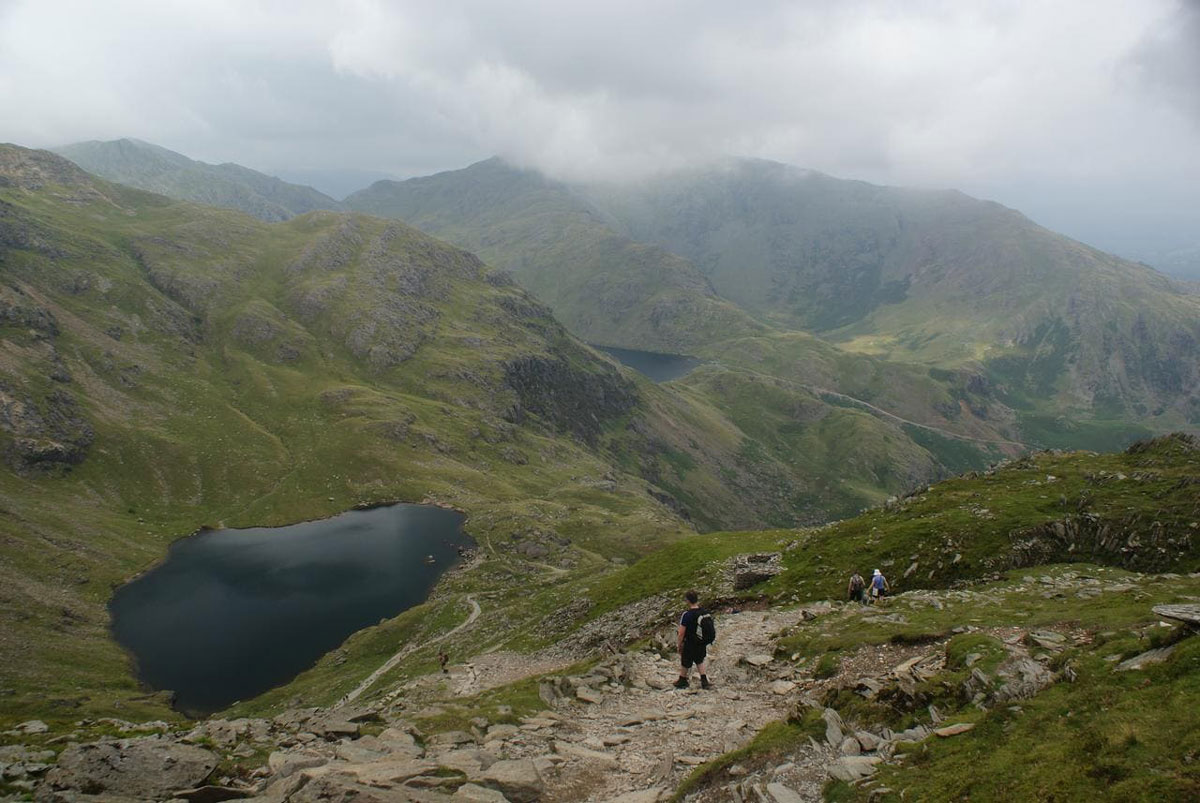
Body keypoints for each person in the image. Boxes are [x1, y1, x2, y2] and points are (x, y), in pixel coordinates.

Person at [675, 590, 713, 690]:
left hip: (690, 642)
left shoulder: (687, 614)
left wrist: (679, 644)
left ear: (687, 601)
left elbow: (681, 632)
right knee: (699, 660)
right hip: (701, 642)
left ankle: (682, 680)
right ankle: (704, 681)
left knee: (685, 661)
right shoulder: (704, 612)